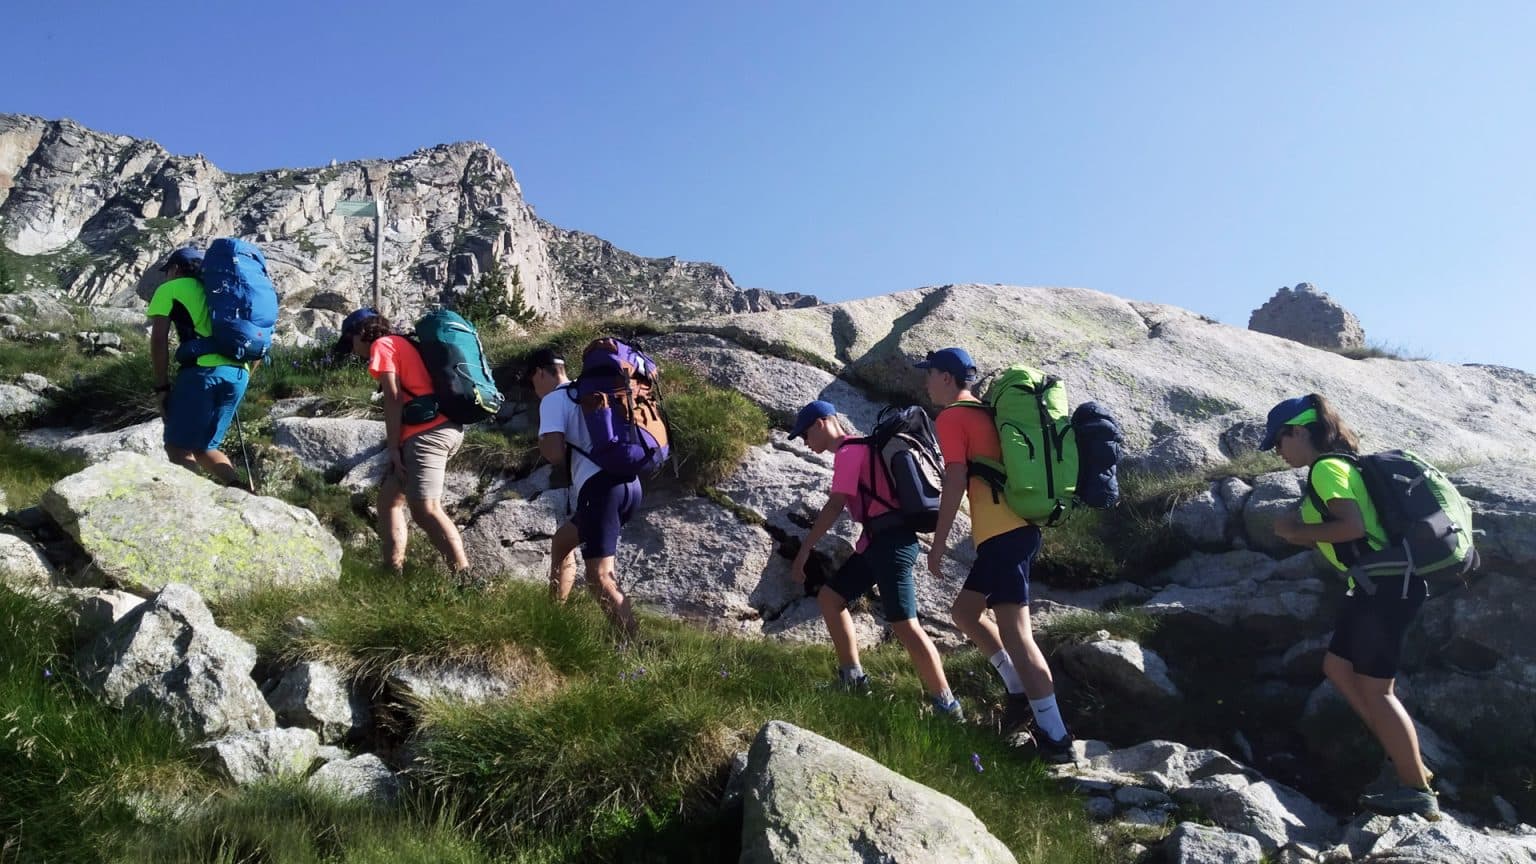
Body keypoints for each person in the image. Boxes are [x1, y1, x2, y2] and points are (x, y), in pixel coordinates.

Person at [1263, 393, 1439, 820]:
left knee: (1377, 689)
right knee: (1338, 668)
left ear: (1299, 431)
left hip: (1386, 587)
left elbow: (1351, 527)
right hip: (1377, 584)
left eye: (1278, 442)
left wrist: (1295, 532)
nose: (1277, 452)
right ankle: (1405, 760)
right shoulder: (1342, 465)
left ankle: (1416, 789)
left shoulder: (1327, 469)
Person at [919, 347, 1076, 763]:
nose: (926, 382)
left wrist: (938, 541)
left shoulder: (952, 417)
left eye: (929, 374)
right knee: (965, 612)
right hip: (1014, 531)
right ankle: (1019, 693)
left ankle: (1056, 739)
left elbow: (955, 479)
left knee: (1017, 635)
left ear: (947, 378)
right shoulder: (987, 414)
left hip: (1004, 533)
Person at [787, 400, 964, 721]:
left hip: (890, 545)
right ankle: (853, 680)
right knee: (830, 598)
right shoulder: (861, 447)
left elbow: (835, 505)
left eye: (804, 435)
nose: (805, 442)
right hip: (876, 545)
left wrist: (804, 551)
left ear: (821, 424)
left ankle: (948, 707)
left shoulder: (848, 453)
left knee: (905, 625)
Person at [335, 308, 470, 578]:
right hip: (441, 428)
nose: (352, 351)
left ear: (360, 334)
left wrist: (393, 448)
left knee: (426, 509)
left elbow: (394, 398)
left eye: (350, 343)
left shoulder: (383, 346)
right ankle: (392, 571)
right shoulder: (403, 342)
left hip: (427, 435)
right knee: (389, 500)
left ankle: (465, 579)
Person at [527, 347, 641, 637]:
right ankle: (554, 617)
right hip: (630, 484)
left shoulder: (553, 399)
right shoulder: (589, 390)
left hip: (601, 489)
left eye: (531, 381)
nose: (534, 389)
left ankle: (635, 647)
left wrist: (543, 440)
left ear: (540, 373)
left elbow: (554, 454)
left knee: (599, 576)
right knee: (562, 541)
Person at [146, 246, 251, 487]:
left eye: (167, 271)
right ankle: (243, 493)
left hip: (202, 372)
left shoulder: (170, 289)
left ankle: (188, 501)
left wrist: (162, 387)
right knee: (206, 447)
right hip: (238, 373)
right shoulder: (226, 290)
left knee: (178, 447)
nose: (166, 276)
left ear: (175, 269)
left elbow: (159, 340)